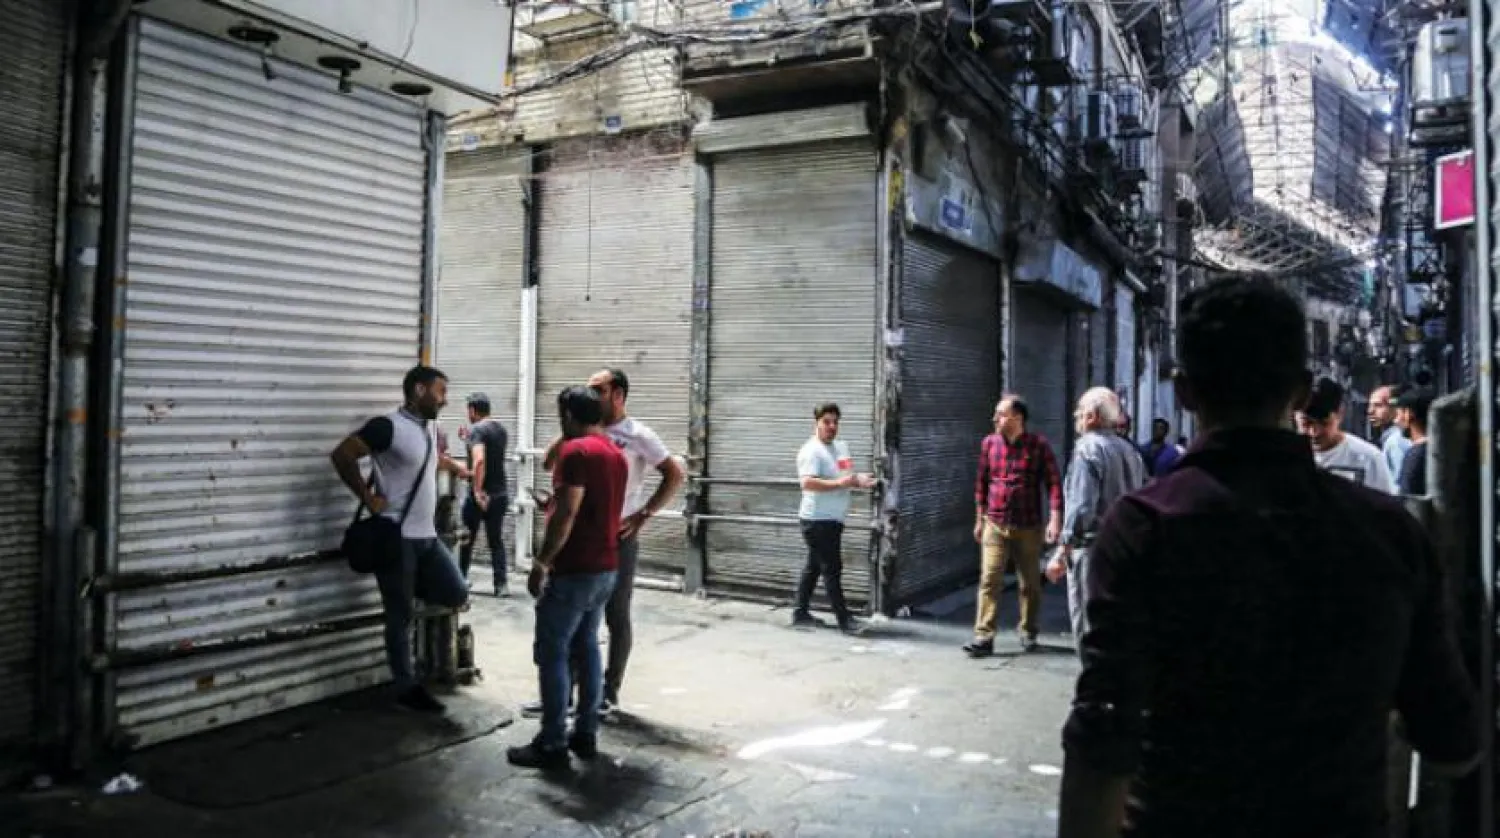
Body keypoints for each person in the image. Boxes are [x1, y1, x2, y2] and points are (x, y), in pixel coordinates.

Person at [1057, 276, 1480, 838]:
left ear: (1184, 391)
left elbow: (1103, 732)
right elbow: (1453, 742)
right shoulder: (1386, 532)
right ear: (1302, 392)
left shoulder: (1143, 528)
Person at [524, 368, 686, 717]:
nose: (592, 394)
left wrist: (643, 515)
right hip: (576, 538)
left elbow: (675, 474)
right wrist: (570, 426)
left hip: (615, 537)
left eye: (598, 389)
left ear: (618, 394)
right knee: (576, 622)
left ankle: (607, 692)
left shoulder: (637, 435)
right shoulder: (585, 433)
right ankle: (564, 694)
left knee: (615, 615)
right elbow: (550, 463)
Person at [329, 365, 471, 714]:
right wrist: (367, 497)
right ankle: (406, 688)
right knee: (400, 614)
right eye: (440, 391)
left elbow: (426, 461)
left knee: (455, 592)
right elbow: (343, 455)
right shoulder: (387, 427)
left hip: (426, 536)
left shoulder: (428, 428)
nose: (445, 399)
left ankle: (405, 587)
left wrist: (455, 468)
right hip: (397, 537)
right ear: (419, 390)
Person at [507, 386, 627, 770]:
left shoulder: (575, 452)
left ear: (568, 415)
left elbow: (568, 515)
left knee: (553, 652)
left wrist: (541, 562)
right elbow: (588, 507)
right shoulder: (615, 453)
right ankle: (585, 733)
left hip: (575, 569)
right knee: (587, 647)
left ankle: (552, 741)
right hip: (606, 567)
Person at [1045, 387, 1145, 651]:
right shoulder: (1129, 451)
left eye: (1080, 412)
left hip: (1092, 551)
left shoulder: (1087, 450)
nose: (1076, 417)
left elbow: (1082, 508)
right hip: (1123, 548)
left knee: (1089, 626)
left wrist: (1062, 552)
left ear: (1091, 417)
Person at [965, 395, 1062, 657]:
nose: (995, 419)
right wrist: (979, 518)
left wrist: (1055, 518)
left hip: (1028, 526)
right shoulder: (989, 443)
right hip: (995, 523)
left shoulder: (1038, 446)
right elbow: (981, 483)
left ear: (1017, 418)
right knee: (989, 579)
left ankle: (1028, 630)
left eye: (1001, 414)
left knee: (1029, 583)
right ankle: (984, 636)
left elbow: (1053, 483)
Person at [794, 402, 874, 634]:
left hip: (834, 519)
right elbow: (807, 482)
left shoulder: (841, 447)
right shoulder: (811, 451)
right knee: (832, 568)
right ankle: (844, 620)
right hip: (816, 520)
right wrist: (840, 483)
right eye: (826, 422)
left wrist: (858, 479)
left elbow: (845, 474)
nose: (831, 426)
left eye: (835, 422)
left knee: (814, 567)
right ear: (816, 423)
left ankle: (800, 613)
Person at [1295, 376, 1396, 493]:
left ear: (1340, 414)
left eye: (1324, 423)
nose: (1314, 432)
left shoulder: (1369, 458)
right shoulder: (1287, 458)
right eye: (1306, 423)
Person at [457, 393, 511, 596]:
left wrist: (478, 491)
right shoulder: (500, 429)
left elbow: (480, 460)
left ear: (473, 410)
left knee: (466, 539)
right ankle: (501, 585)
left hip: (481, 496)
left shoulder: (477, 430)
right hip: (500, 493)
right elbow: (491, 452)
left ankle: (459, 581)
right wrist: (467, 439)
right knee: (496, 540)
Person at [1368, 383, 1413, 481]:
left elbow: (1399, 482)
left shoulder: (1396, 441)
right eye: (1370, 405)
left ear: (1395, 408)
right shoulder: (1393, 438)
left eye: (1378, 405)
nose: (1370, 411)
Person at [1393, 387, 1433, 496]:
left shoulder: (1414, 456)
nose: (1395, 421)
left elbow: (1407, 499)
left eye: (1397, 415)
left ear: (1408, 414)